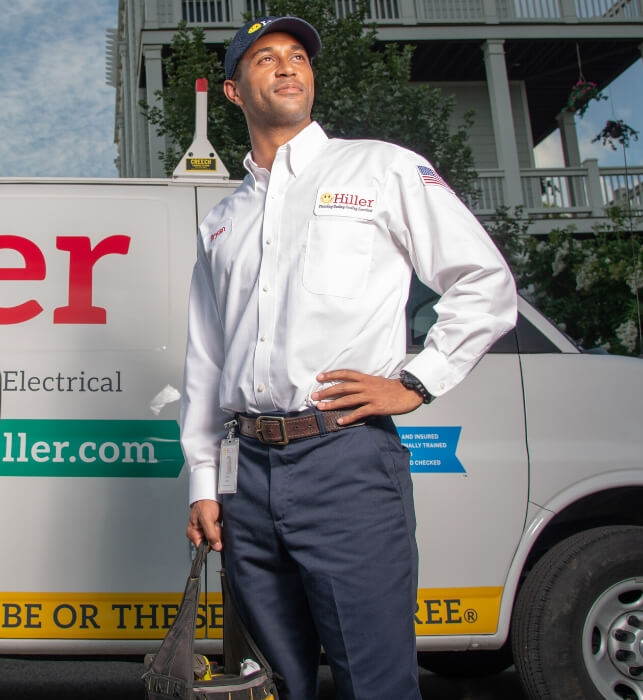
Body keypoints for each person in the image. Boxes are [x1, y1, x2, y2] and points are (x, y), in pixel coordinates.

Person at [179, 15, 518, 700]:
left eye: (298, 56)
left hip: (346, 463)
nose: (287, 66)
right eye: (266, 58)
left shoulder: (381, 167)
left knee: (376, 684)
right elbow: (206, 363)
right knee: (271, 687)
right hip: (247, 481)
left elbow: (486, 282)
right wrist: (203, 483)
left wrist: (417, 381)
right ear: (235, 92)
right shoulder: (222, 221)